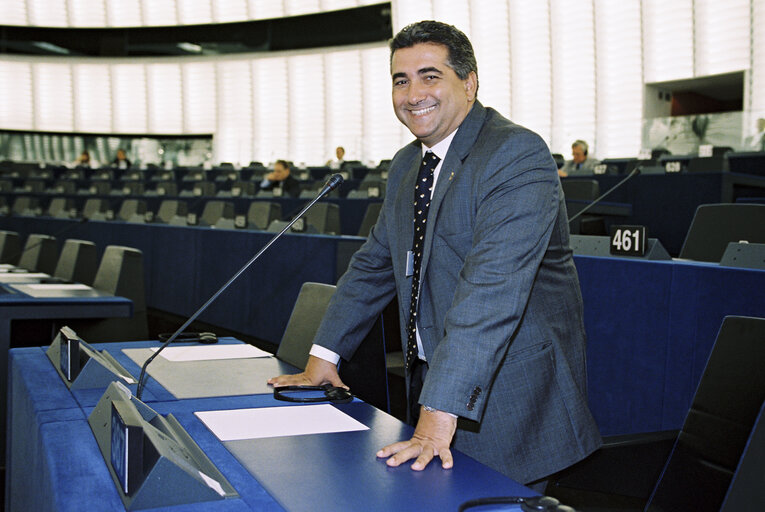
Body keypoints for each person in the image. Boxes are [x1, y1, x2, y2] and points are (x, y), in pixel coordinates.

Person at [269, 20, 601, 487]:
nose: (412, 93)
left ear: (469, 83)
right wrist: (324, 357)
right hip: (435, 390)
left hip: (509, 403)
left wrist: (439, 408)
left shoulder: (516, 154)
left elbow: (492, 293)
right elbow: (372, 266)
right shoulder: (408, 163)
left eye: (430, 76)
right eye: (400, 80)